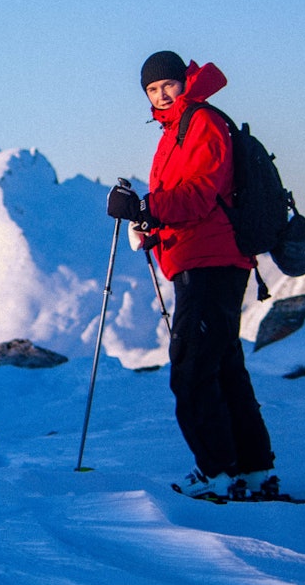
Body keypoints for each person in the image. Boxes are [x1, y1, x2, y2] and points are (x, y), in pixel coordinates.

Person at [106, 50, 277, 499]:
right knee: (222, 367)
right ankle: (253, 471)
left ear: (184, 81)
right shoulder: (174, 130)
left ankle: (218, 474)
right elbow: (187, 200)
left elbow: (200, 194)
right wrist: (151, 225)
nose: (161, 95)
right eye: (152, 90)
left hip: (211, 259)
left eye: (167, 85)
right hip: (202, 256)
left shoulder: (200, 122)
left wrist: (145, 207)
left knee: (192, 371)